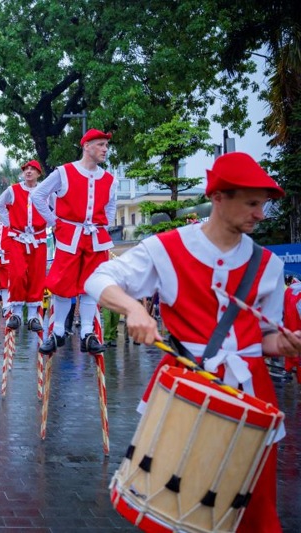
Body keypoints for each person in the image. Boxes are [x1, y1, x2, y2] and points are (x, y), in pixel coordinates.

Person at [85, 152, 301, 532]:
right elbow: (99, 279)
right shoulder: (165, 248)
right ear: (218, 197)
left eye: (263, 205)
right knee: (173, 505)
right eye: (252, 203)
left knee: (253, 506)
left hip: (253, 396)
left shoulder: (269, 265)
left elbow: (268, 338)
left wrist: (284, 345)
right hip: (185, 390)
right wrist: (134, 309)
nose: (260, 214)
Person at [33, 129, 116, 354]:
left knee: (91, 286)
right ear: (86, 146)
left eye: (106, 145)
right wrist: (54, 221)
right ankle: (58, 331)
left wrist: (103, 226)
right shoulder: (64, 172)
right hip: (70, 237)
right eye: (100, 145)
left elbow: (110, 207)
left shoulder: (109, 179)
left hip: (96, 239)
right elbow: (38, 196)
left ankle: (87, 333)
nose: (105, 149)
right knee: (62, 285)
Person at [0, 160, 48, 331]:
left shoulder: (45, 190)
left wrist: (49, 223)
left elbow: (56, 208)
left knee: (36, 275)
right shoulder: (13, 190)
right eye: (26, 169)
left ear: (39, 174)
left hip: (38, 239)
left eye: (33, 169)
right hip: (18, 238)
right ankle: (16, 313)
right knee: (17, 274)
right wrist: (10, 223)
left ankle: (33, 316)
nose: (28, 172)